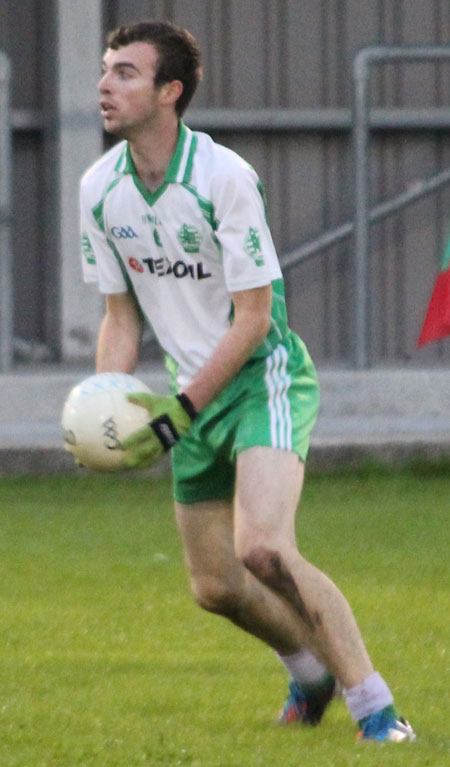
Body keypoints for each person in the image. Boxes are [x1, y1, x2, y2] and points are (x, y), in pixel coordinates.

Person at [79, 19, 414, 743]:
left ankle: (378, 712)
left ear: (170, 92)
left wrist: (179, 411)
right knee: (215, 587)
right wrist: (108, 409)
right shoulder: (100, 189)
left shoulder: (223, 177)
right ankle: (310, 670)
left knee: (264, 548)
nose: (105, 84)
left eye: (126, 73)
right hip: (183, 393)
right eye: (106, 70)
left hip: (262, 379)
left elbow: (255, 317)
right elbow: (119, 317)